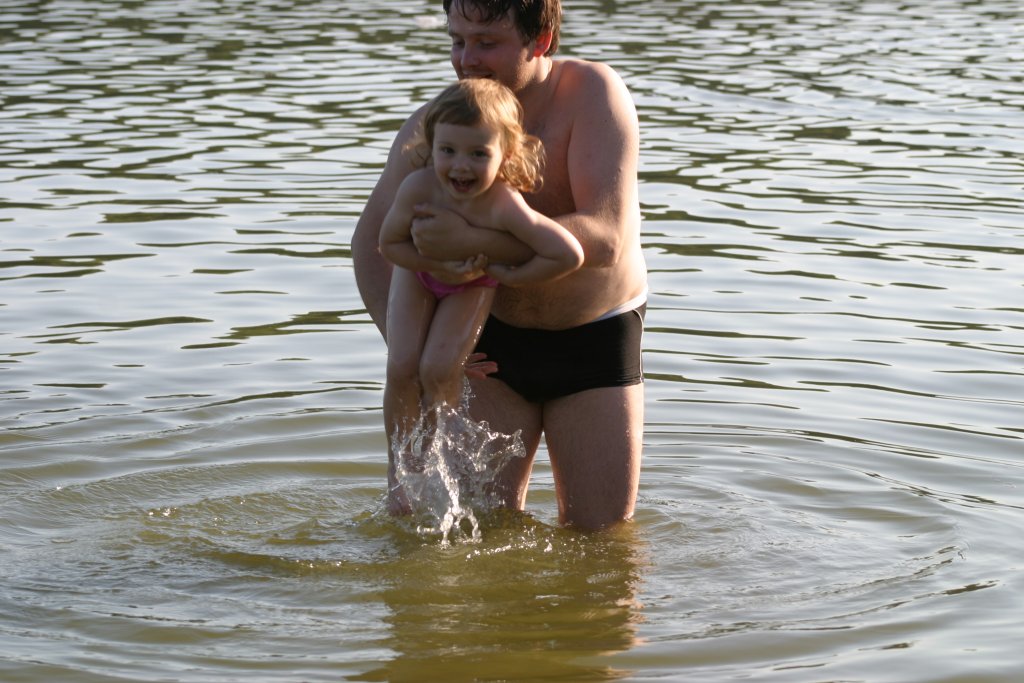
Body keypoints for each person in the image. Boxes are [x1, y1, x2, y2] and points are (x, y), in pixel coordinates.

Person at [353, 0, 648, 530]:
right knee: (479, 533)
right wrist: (417, 351)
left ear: (542, 40)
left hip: (593, 339)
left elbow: (606, 238)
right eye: (457, 40)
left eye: (487, 43)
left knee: (602, 539)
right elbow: (370, 245)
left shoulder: (593, 93)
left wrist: (473, 239)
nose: (467, 59)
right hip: (489, 347)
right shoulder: (441, 127)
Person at [378, 78, 583, 514]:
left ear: (505, 154)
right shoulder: (418, 188)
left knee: (437, 369)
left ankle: (439, 466)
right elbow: (388, 245)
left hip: (471, 284)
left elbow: (568, 253)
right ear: (431, 146)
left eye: (478, 154)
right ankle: (401, 472)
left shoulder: (503, 203)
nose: (460, 166)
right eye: (448, 150)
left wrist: (510, 273)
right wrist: (430, 262)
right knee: (402, 364)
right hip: (417, 273)